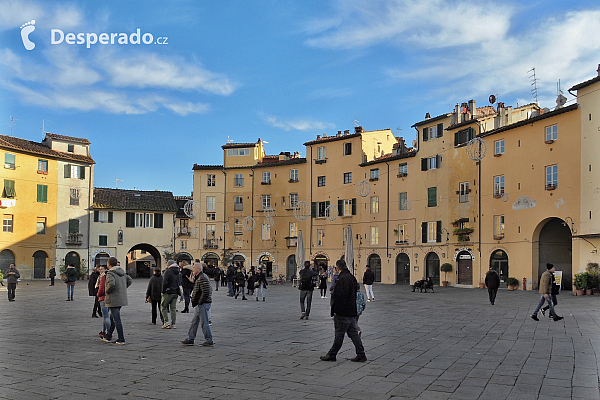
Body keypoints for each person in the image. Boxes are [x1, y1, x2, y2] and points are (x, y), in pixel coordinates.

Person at [320, 259, 367, 362]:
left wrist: (336, 310)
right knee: (354, 334)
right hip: (352, 311)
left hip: (343, 311)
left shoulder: (341, 279)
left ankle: (332, 354)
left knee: (339, 334)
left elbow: (339, 296)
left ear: (337, 268)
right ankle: (361, 354)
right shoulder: (352, 278)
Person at [180, 263, 213, 346]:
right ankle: (191, 338)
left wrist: (200, 301)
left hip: (203, 304)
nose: (192, 270)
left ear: (199, 269)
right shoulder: (199, 277)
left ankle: (209, 340)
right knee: (194, 322)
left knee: (204, 323)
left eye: (194, 268)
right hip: (199, 304)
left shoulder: (202, 278)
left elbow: (206, 292)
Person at [103, 257, 133, 345]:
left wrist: (107, 291)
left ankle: (121, 339)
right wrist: (122, 289)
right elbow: (130, 280)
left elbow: (111, 284)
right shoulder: (122, 272)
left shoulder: (110, 273)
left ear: (109, 264)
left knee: (116, 319)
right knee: (113, 317)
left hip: (113, 298)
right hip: (121, 298)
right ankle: (108, 336)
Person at [161, 260, 182, 329]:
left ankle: (166, 322)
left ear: (169, 265)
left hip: (168, 292)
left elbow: (165, 282)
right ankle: (173, 324)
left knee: (163, 306)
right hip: (176, 291)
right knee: (173, 308)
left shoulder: (168, 271)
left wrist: (163, 291)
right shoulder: (178, 271)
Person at [96, 265, 110, 340]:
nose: (100, 270)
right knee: (106, 316)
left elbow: (101, 288)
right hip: (111, 298)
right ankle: (104, 331)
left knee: (106, 316)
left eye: (102, 269)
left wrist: (98, 294)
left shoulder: (103, 277)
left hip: (103, 297)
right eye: (99, 269)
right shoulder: (113, 275)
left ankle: (109, 333)